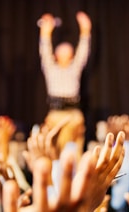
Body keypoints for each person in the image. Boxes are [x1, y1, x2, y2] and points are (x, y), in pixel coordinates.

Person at [38, 11, 91, 159]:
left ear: (72, 55)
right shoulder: (51, 68)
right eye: (61, 51)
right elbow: (45, 50)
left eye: (68, 51)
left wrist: (85, 30)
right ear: (56, 55)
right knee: (55, 151)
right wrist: (45, 32)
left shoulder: (74, 68)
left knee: (75, 153)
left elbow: (83, 52)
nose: (65, 53)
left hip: (73, 114)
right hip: (56, 114)